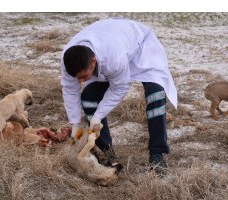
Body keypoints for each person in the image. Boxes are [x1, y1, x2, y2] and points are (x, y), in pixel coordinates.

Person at [61, 17, 177, 175]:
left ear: (93, 62)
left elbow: (120, 87)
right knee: (88, 98)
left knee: (155, 94)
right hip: (111, 39)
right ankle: (107, 152)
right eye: (77, 77)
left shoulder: (113, 58)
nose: (80, 81)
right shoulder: (68, 59)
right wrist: (75, 123)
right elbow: (70, 89)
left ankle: (157, 154)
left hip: (141, 45)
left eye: (84, 76)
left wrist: (99, 115)